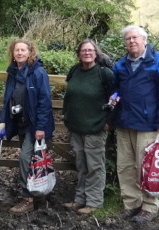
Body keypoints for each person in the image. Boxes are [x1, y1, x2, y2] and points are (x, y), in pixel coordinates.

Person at [111, 25, 159, 223]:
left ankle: (149, 206)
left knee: (146, 167)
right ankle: (132, 204)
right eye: (128, 39)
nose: (131, 41)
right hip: (124, 123)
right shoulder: (121, 64)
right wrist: (114, 98)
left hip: (148, 124)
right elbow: (115, 90)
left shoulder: (157, 60)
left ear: (144, 39)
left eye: (135, 38)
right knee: (125, 166)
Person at [0, 39, 54, 214]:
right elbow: (8, 98)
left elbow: (45, 101)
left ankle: (28, 198)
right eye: (17, 50)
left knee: (25, 158)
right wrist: (3, 120)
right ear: (13, 53)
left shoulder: (38, 72)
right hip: (20, 121)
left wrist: (40, 127)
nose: (20, 53)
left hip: (34, 125)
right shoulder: (13, 72)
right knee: (32, 160)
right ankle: (39, 194)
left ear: (30, 52)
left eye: (23, 50)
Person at [61, 39, 115, 215]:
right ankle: (79, 199)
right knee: (81, 165)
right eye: (83, 50)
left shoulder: (104, 73)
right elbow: (69, 96)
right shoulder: (74, 71)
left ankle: (94, 202)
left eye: (90, 50)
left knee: (95, 166)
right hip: (76, 127)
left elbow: (115, 98)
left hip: (96, 127)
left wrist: (108, 122)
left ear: (96, 53)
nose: (87, 53)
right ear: (78, 53)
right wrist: (67, 115)